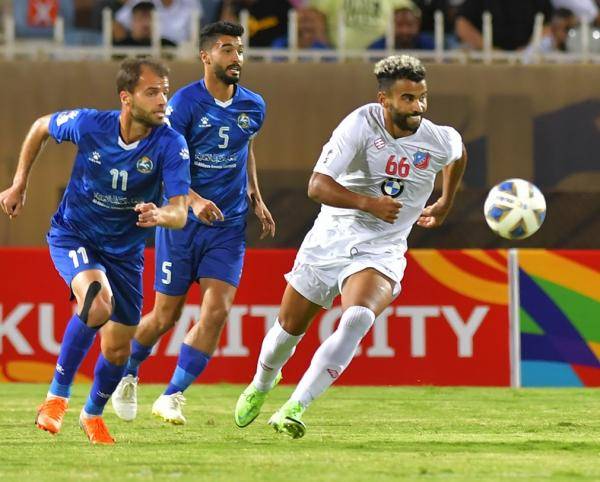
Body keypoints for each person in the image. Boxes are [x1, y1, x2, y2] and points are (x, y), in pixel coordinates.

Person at [234, 54, 467, 439]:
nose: (418, 107)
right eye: (408, 99)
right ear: (384, 100)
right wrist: (368, 203)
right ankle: (262, 383)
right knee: (287, 331)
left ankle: (296, 407)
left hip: (382, 249)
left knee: (358, 317)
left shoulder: (438, 138)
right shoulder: (359, 125)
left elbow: (458, 154)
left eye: (422, 97)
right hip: (331, 238)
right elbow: (316, 186)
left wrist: (445, 201)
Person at [0, 58, 191, 444]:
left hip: (125, 254)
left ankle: (92, 414)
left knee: (118, 349)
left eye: (165, 92)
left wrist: (160, 214)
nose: (162, 101)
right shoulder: (90, 124)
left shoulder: (171, 143)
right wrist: (19, 184)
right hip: (75, 235)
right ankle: (56, 397)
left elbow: (180, 212)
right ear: (126, 97)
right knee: (97, 301)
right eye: (152, 92)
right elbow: (40, 127)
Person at [111, 21, 275, 425]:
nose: (236, 57)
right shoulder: (183, 104)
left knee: (217, 312)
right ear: (205, 56)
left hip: (228, 226)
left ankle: (172, 395)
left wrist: (255, 194)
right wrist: (196, 202)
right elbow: (165, 162)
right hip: (183, 223)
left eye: (240, 50)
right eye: (227, 49)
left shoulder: (254, 105)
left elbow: (245, 147)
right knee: (164, 317)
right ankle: (127, 373)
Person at [455, 0, 553, 51]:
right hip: (486, 60)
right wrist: (489, 50)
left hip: (527, 60)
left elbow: (548, 25)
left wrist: (529, 50)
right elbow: (462, 25)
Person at [368, 5, 435, 50]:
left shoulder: (429, 44)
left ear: (418, 25)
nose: (405, 31)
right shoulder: (377, 47)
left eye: (409, 25)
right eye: (399, 25)